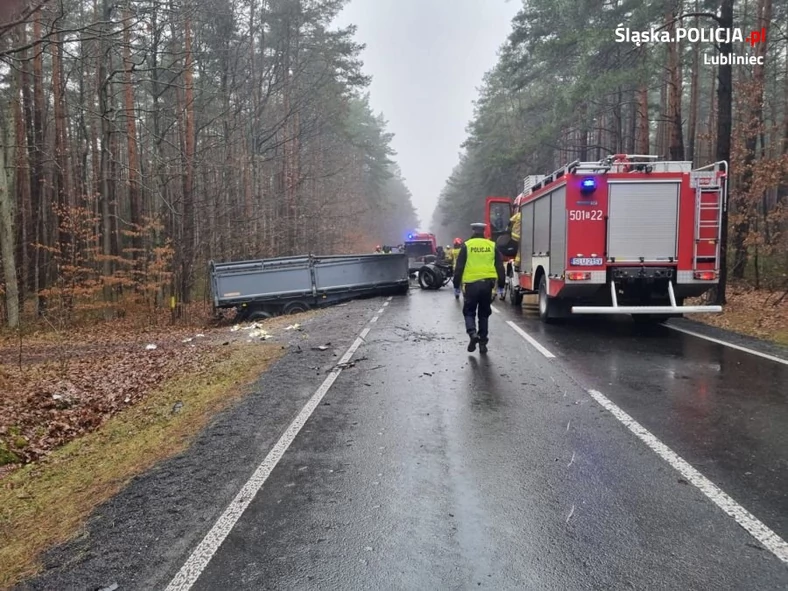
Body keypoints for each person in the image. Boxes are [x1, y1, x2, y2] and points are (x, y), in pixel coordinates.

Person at [452, 223, 505, 354]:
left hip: (471, 285)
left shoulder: (467, 245)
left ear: (473, 231)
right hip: (487, 285)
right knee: (484, 313)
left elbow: (459, 268)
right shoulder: (491, 245)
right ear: (484, 232)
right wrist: (502, 285)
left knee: (469, 311)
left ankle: (472, 334)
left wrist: (456, 285)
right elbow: (500, 266)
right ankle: (483, 343)